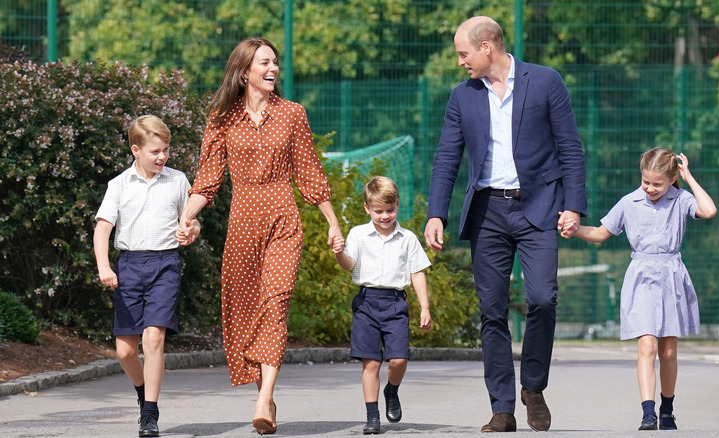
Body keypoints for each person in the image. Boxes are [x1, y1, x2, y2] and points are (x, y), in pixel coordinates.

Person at [424, 16, 587, 432]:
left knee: (543, 298)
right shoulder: (463, 97)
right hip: (487, 214)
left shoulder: (546, 81)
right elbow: (447, 156)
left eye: (463, 53)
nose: (460, 62)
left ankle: (533, 386)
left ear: (487, 48)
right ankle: (502, 407)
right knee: (492, 311)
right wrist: (436, 213)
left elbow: (570, 148)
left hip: (539, 208)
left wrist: (574, 206)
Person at [177, 37, 342, 435]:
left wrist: (333, 222)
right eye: (264, 63)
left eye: (275, 63)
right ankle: (264, 391)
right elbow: (208, 178)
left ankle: (264, 396)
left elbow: (309, 172)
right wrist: (186, 217)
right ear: (244, 71)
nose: (273, 70)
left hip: (283, 218)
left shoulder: (292, 114)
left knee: (276, 302)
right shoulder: (222, 118)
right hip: (242, 223)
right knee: (248, 311)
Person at [564, 148, 716, 431]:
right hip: (641, 277)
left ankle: (667, 410)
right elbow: (600, 233)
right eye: (646, 181)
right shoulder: (629, 202)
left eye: (657, 183)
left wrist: (689, 177)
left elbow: (708, 210)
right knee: (646, 345)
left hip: (672, 276)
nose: (650, 188)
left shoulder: (681, 199)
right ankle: (648, 412)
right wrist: (575, 229)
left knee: (668, 350)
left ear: (672, 179)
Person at [93, 115, 201, 437]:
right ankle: (143, 395)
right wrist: (104, 266)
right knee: (125, 351)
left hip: (165, 264)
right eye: (155, 151)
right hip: (128, 266)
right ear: (135, 150)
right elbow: (102, 230)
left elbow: (191, 222)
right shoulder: (119, 185)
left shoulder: (178, 181)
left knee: (153, 336)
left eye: (166, 149)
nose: (162, 157)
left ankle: (150, 415)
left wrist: (192, 229)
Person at [331, 176, 432, 435]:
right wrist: (339, 253)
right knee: (371, 362)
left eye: (390, 210)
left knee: (398, 359)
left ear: (397, 205)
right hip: (366, 302)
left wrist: (425, 308)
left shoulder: (407, 238)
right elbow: (349, 264)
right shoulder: (358, 234)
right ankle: (372, 416)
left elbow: (417, 272)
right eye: (378, 211)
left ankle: (392, 389)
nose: (385, 216)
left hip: (395, 303)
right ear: (367, 208)